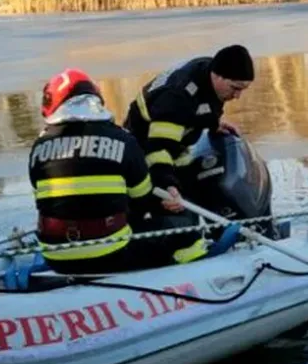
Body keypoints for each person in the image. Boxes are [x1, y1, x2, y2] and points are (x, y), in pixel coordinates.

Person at [30, 68, 212, 274]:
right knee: (185, 227)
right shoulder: (123, 140)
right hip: (111, 254)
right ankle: (189, 279)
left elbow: (46, 200)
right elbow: (142, 199)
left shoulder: (39, 146)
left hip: (55, 257)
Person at [123, 44, 254, 213]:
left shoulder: (208, 71)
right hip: (144, 144)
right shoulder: (177, 98)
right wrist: (168, 186)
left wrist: (214, 122)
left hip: (173, 137)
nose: (237, 96)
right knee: (175, 203)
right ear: (218, 76)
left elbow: (203, 104)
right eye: (235, 88)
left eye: (243, 89)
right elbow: (158, 149)